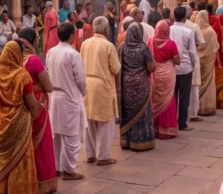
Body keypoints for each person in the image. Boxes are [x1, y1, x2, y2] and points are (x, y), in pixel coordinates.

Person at [0, 43, 42, 194]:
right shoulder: (22, 76)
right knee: (20, 161)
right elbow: (31, 103)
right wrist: (40, 106)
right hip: (19, 123)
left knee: (4, 161)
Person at [17, 29, 58, 194]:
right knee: (42, 144)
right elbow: (48, 87)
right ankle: (42, 183)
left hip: (20, 107)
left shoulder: (15, 59)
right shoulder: (34, 61)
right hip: (37, 105)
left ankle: (27, 181)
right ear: (33, 42)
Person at [46, 23, 87, 179]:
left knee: (56, 135)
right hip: (69, 97)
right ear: (71, 35)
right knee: (71, 136)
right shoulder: (73, 54)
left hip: (54, 97)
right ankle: (69, 170)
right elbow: (81, 80)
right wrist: (83, 92)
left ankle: (57, 168)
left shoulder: (50, 52)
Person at [81, 17, 121, 166]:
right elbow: (116, 69)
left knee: (90, 121)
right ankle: (103, 156)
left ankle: (90, 154)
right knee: (105, 122)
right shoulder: (108, 45)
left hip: (87, 84)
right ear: (106, 29)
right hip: (103, 85)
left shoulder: (85, 43)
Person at [118, 24, 155, 152]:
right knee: (142, 111)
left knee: (129, 111)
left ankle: (127, 141)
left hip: (126, 83)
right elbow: (151, 67)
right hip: (141, 84)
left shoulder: (122, 47)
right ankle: (142, 141)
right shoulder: (143, 48)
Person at [147, 20, 181, 140]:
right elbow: (177, 61)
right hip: (167, 75)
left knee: (155, 98)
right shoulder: (171, 44)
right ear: (167, 30)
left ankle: (154, 128)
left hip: (155, 74)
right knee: (168, 99)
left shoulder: (150, 41)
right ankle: (167, 130)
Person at [169, 7, 198, 131]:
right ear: (185, 18)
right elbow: (192, 52)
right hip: (185, 67)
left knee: (172, 96)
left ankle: (171, 121)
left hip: (171, 67)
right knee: (184, 96)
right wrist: (192, 65)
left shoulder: (169, 30)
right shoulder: (188, 32)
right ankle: (182, 123)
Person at [194, 11, 220, 117]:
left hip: (198, 61)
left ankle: (197, 107)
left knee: (197, 84)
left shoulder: (195, 29)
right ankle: (207, 107)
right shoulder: (210, 31)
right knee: (208, 85)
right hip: (208, 61)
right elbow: (216, 46)